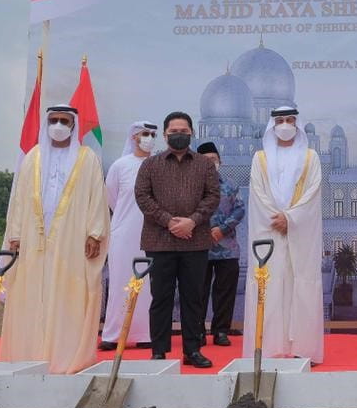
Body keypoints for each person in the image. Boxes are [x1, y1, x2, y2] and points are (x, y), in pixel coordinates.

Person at [2, 105, 110, 373]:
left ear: (73, 126)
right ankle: (29, 356)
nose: (59, 125)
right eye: (53, 120)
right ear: (46, 123)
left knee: (69, 295)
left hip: (72, 242)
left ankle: (65, 358)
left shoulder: (87, 159)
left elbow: (98, 197)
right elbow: (18, 200)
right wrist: (15, 234)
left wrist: (95, 233)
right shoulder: (33, 158)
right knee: (31, 296)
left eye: (64, 121)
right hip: (33, 241)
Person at [134, 111, 221, 367]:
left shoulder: (204, 165)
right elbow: (142, 197)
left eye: (183, 131)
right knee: (161, 298)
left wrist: (192, 221)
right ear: (165, 135)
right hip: (159, 241)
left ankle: (192, 350)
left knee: (192, 298)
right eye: (174, 132)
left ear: (192, 133)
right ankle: (159, 350)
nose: (179, 135)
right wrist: (169, 222)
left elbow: (212, 196)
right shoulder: (150, 164)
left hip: (195, 241)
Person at [242, 106, 325, 364]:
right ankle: (267, 347)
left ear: (298, 124)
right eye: (280, 120)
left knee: (302, 283)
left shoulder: (311, 158)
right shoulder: (260, 158)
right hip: (269, 231)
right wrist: (277, 218)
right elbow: (257, 193)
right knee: (269, 283)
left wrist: (290, 218)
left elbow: (312, 194)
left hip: (300, 233)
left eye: (290, 120)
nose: (286, 124)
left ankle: (304, 349)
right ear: (272, 125)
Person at [99, 121, 157, 351]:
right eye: (145, 134)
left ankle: (145, 333)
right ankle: (112, 334)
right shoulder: (120, 165)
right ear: (134, 137)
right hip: (123, 233)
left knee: (149, 287)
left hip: (153, 234)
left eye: (153, 134)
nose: (150, 138)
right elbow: (111, 197)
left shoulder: (158, 164)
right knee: (120, 283)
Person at [197, 141, 245, 347]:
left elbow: (240, 210)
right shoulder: (191, 188)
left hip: (228, 249)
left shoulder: (231, 185)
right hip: (199, 248)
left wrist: (221, 228)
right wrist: (204, 231)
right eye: (205, 161)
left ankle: (221, 331)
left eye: (213, 160)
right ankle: (197, 331)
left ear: (220, 161)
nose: (211, 163)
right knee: (197, 292)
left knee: (225, 292)